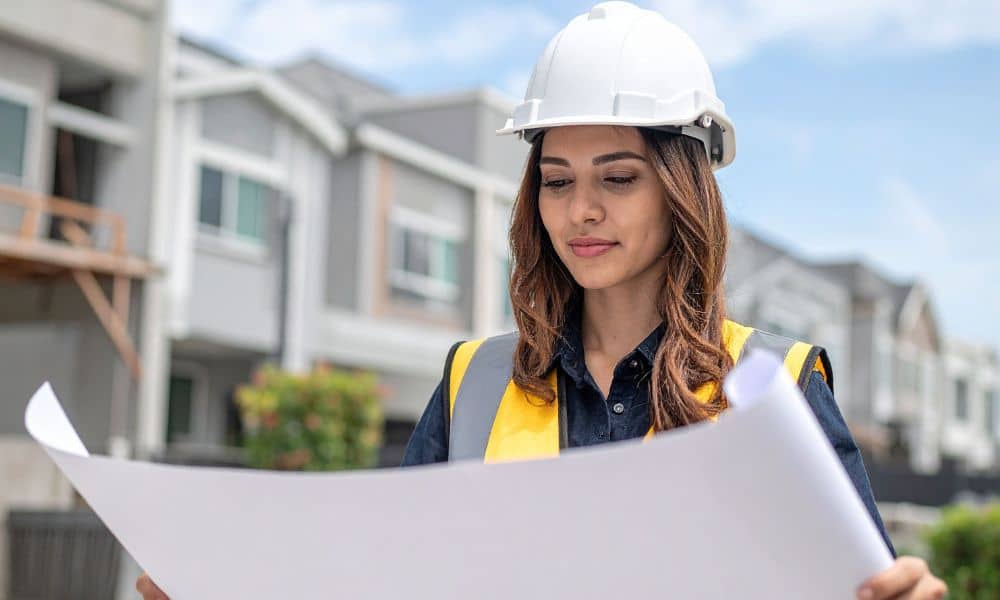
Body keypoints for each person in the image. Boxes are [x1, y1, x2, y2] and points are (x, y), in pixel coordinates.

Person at [139, 2, 947, 598]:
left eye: (618, 178)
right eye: (556, 181)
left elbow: (863, 585)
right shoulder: (474, 384)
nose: (580, 210)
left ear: (683, 192)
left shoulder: (773, 384)